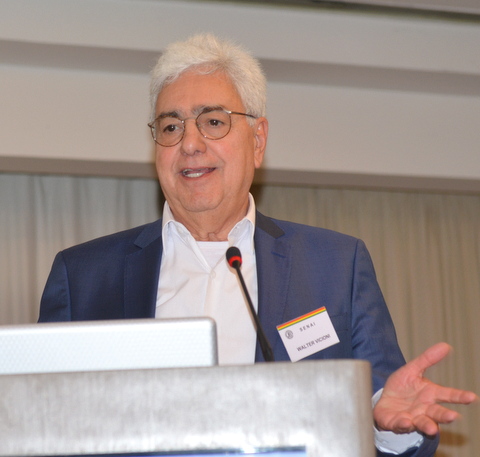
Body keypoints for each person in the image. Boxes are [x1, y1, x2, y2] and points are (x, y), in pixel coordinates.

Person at [39, 34, 476, 456]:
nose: (189, 144)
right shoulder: (84, 277)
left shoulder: (335, 266)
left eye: (213, 122)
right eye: (171, 126)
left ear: (258, 141)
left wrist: (386, 426)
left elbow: (386, 408)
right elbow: (40, 422)